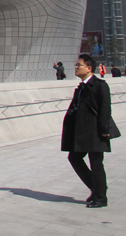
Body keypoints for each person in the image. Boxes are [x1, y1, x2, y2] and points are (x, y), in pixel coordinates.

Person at [62, 53, 113, 208]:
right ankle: (97, 188)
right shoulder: (81, 87)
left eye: (79, 65)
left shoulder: (100, 85)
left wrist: (104, 130)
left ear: (89, 68)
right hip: (82, 132)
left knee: (96, 163)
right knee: (74, 158)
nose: (76, 68)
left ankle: (100, 198)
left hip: (95, 132)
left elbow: (105, 108)